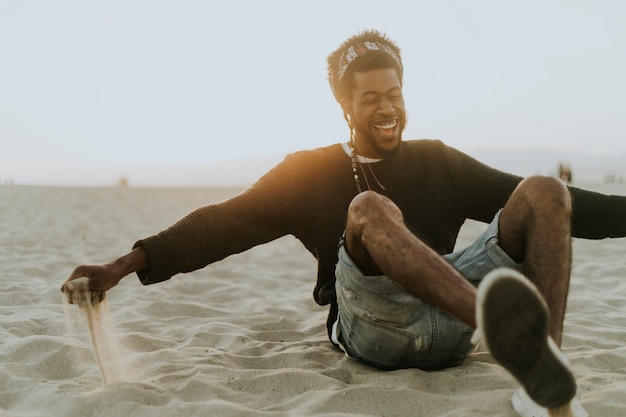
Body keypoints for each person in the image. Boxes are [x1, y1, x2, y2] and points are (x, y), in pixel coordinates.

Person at [62, 30, 626, 416]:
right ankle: (496, 323)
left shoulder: (439, 161)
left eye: (396, 94)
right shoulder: (310, 173)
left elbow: (569, 207)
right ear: (345, 106)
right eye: (371, 98)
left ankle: (541, 370)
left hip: (448, 318)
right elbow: (225, 222)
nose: (387, 108)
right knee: (369, 211)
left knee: (545, 191)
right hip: (372, 323)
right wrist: (123, 263)